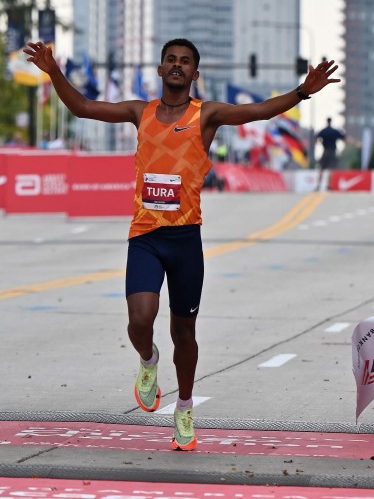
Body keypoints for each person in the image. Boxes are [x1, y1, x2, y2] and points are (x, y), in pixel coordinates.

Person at [25, 38, 338, 450]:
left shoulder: (206, 115)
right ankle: (148, 361)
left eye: (185, 61)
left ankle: (185, 407)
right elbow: (83, 107)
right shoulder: (141, 112)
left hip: (186, 239)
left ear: (194, 74)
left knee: (184, 333)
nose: (177, 65)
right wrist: (54, 73)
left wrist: (302, 92)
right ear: (160, 70)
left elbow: (259, 111)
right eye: (170, 60)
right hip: (146, 237)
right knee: (141, 319)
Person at [315, 117, 345, 190]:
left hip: (325, 151)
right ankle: (328, 186)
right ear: (331, 122)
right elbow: (343, 137)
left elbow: (316, 138)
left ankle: (318, 186)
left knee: (321, 169)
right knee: (330, 170)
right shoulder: (335, 131)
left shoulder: (323, 131)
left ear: (326, 121)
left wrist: (319, 142)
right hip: (332, 152)